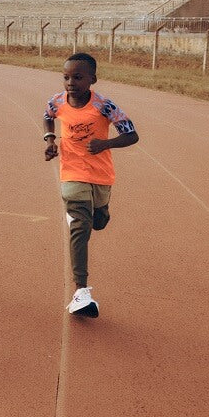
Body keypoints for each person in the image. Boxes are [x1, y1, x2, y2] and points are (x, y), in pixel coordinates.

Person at [42, 52, 138, 318]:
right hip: (71, 175)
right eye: (66, 77)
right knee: (80, 227)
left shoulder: (104, 106)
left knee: (98, 222)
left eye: (77, 77)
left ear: (92, 79)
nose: (70, 82)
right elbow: (48, 115)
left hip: (101, 176)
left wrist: (106, 144)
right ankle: (81, 291)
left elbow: (132, 135)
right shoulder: (58, 101)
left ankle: (102, 210)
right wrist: (50, 141)